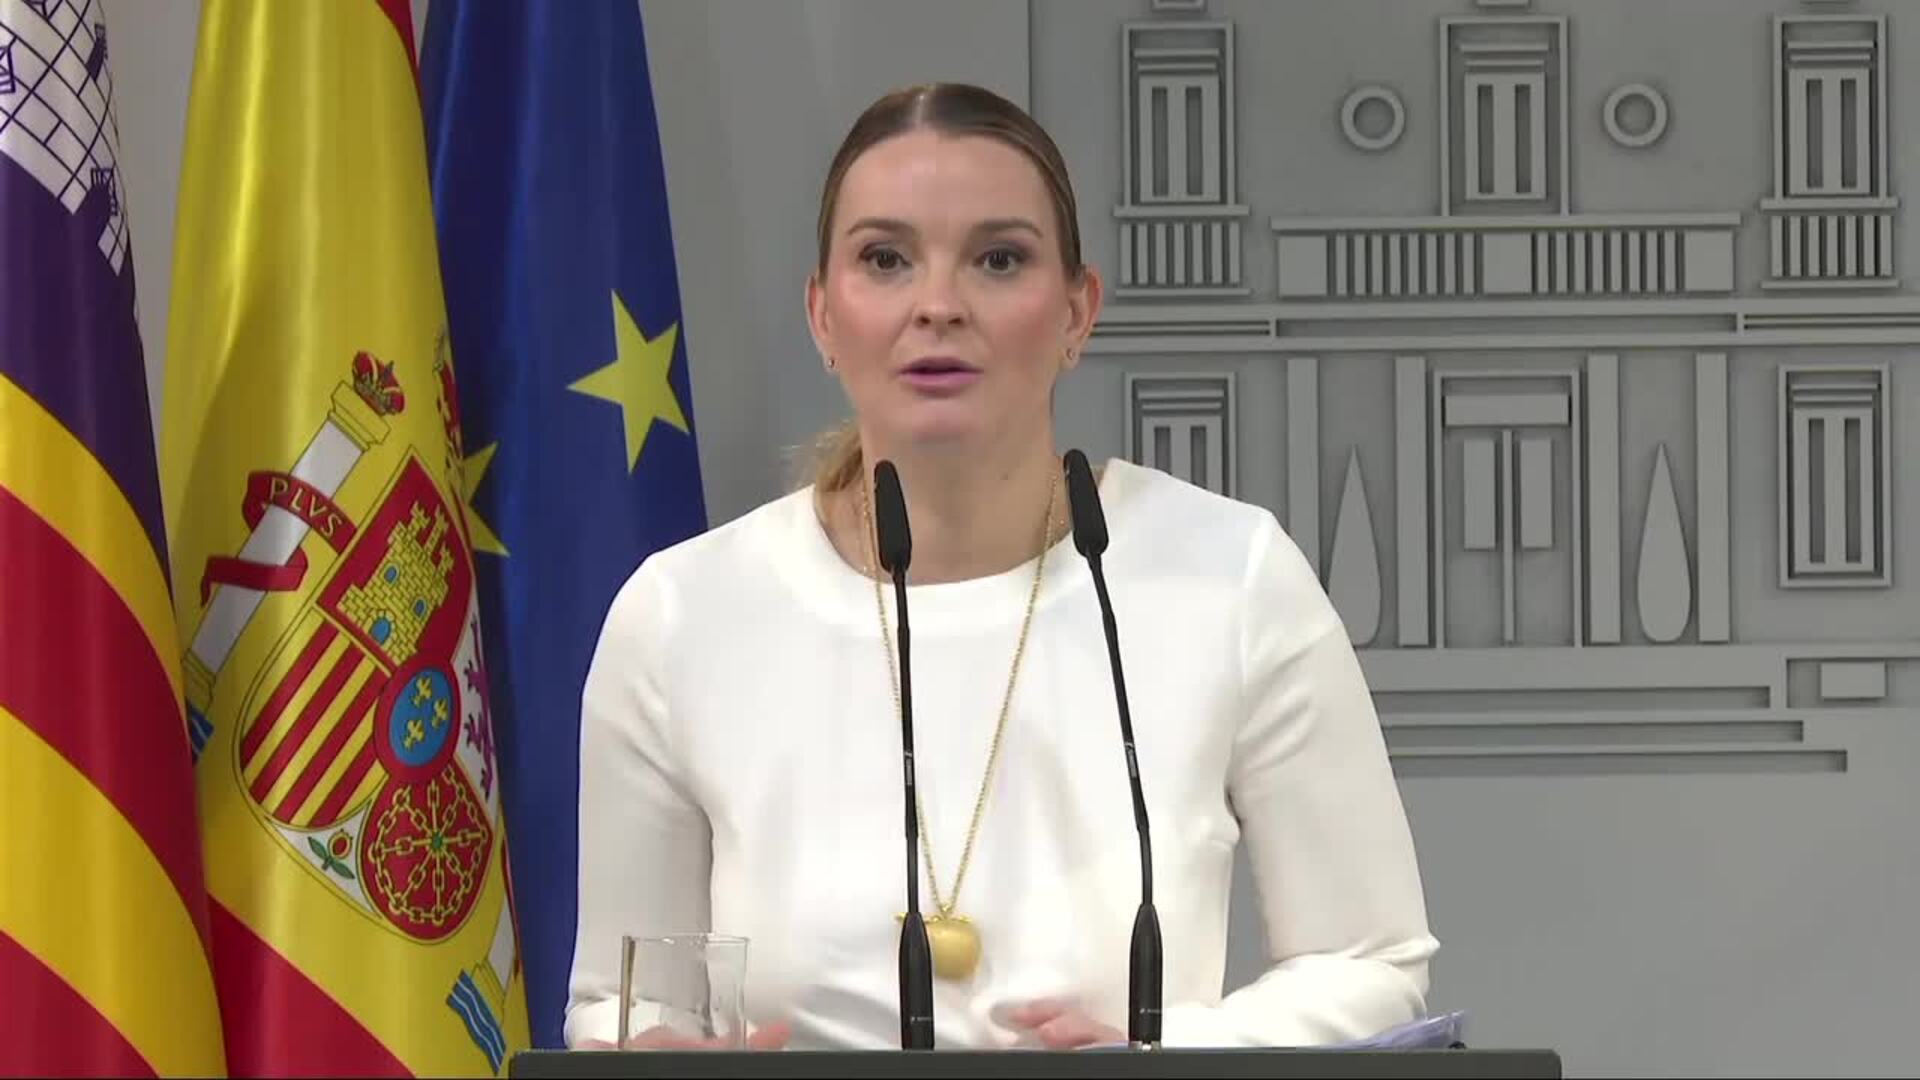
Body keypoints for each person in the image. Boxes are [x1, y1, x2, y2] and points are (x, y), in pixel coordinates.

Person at [565, 81, 1437, 1051]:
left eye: (999, 259)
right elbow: (621, 996)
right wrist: (649, 1052)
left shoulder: (1229, 574)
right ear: (822, 315)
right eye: (885, 259)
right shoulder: (683, 613)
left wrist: (1167, 1058)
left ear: (1077, 312)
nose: (939, 306)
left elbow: (1371, 961)